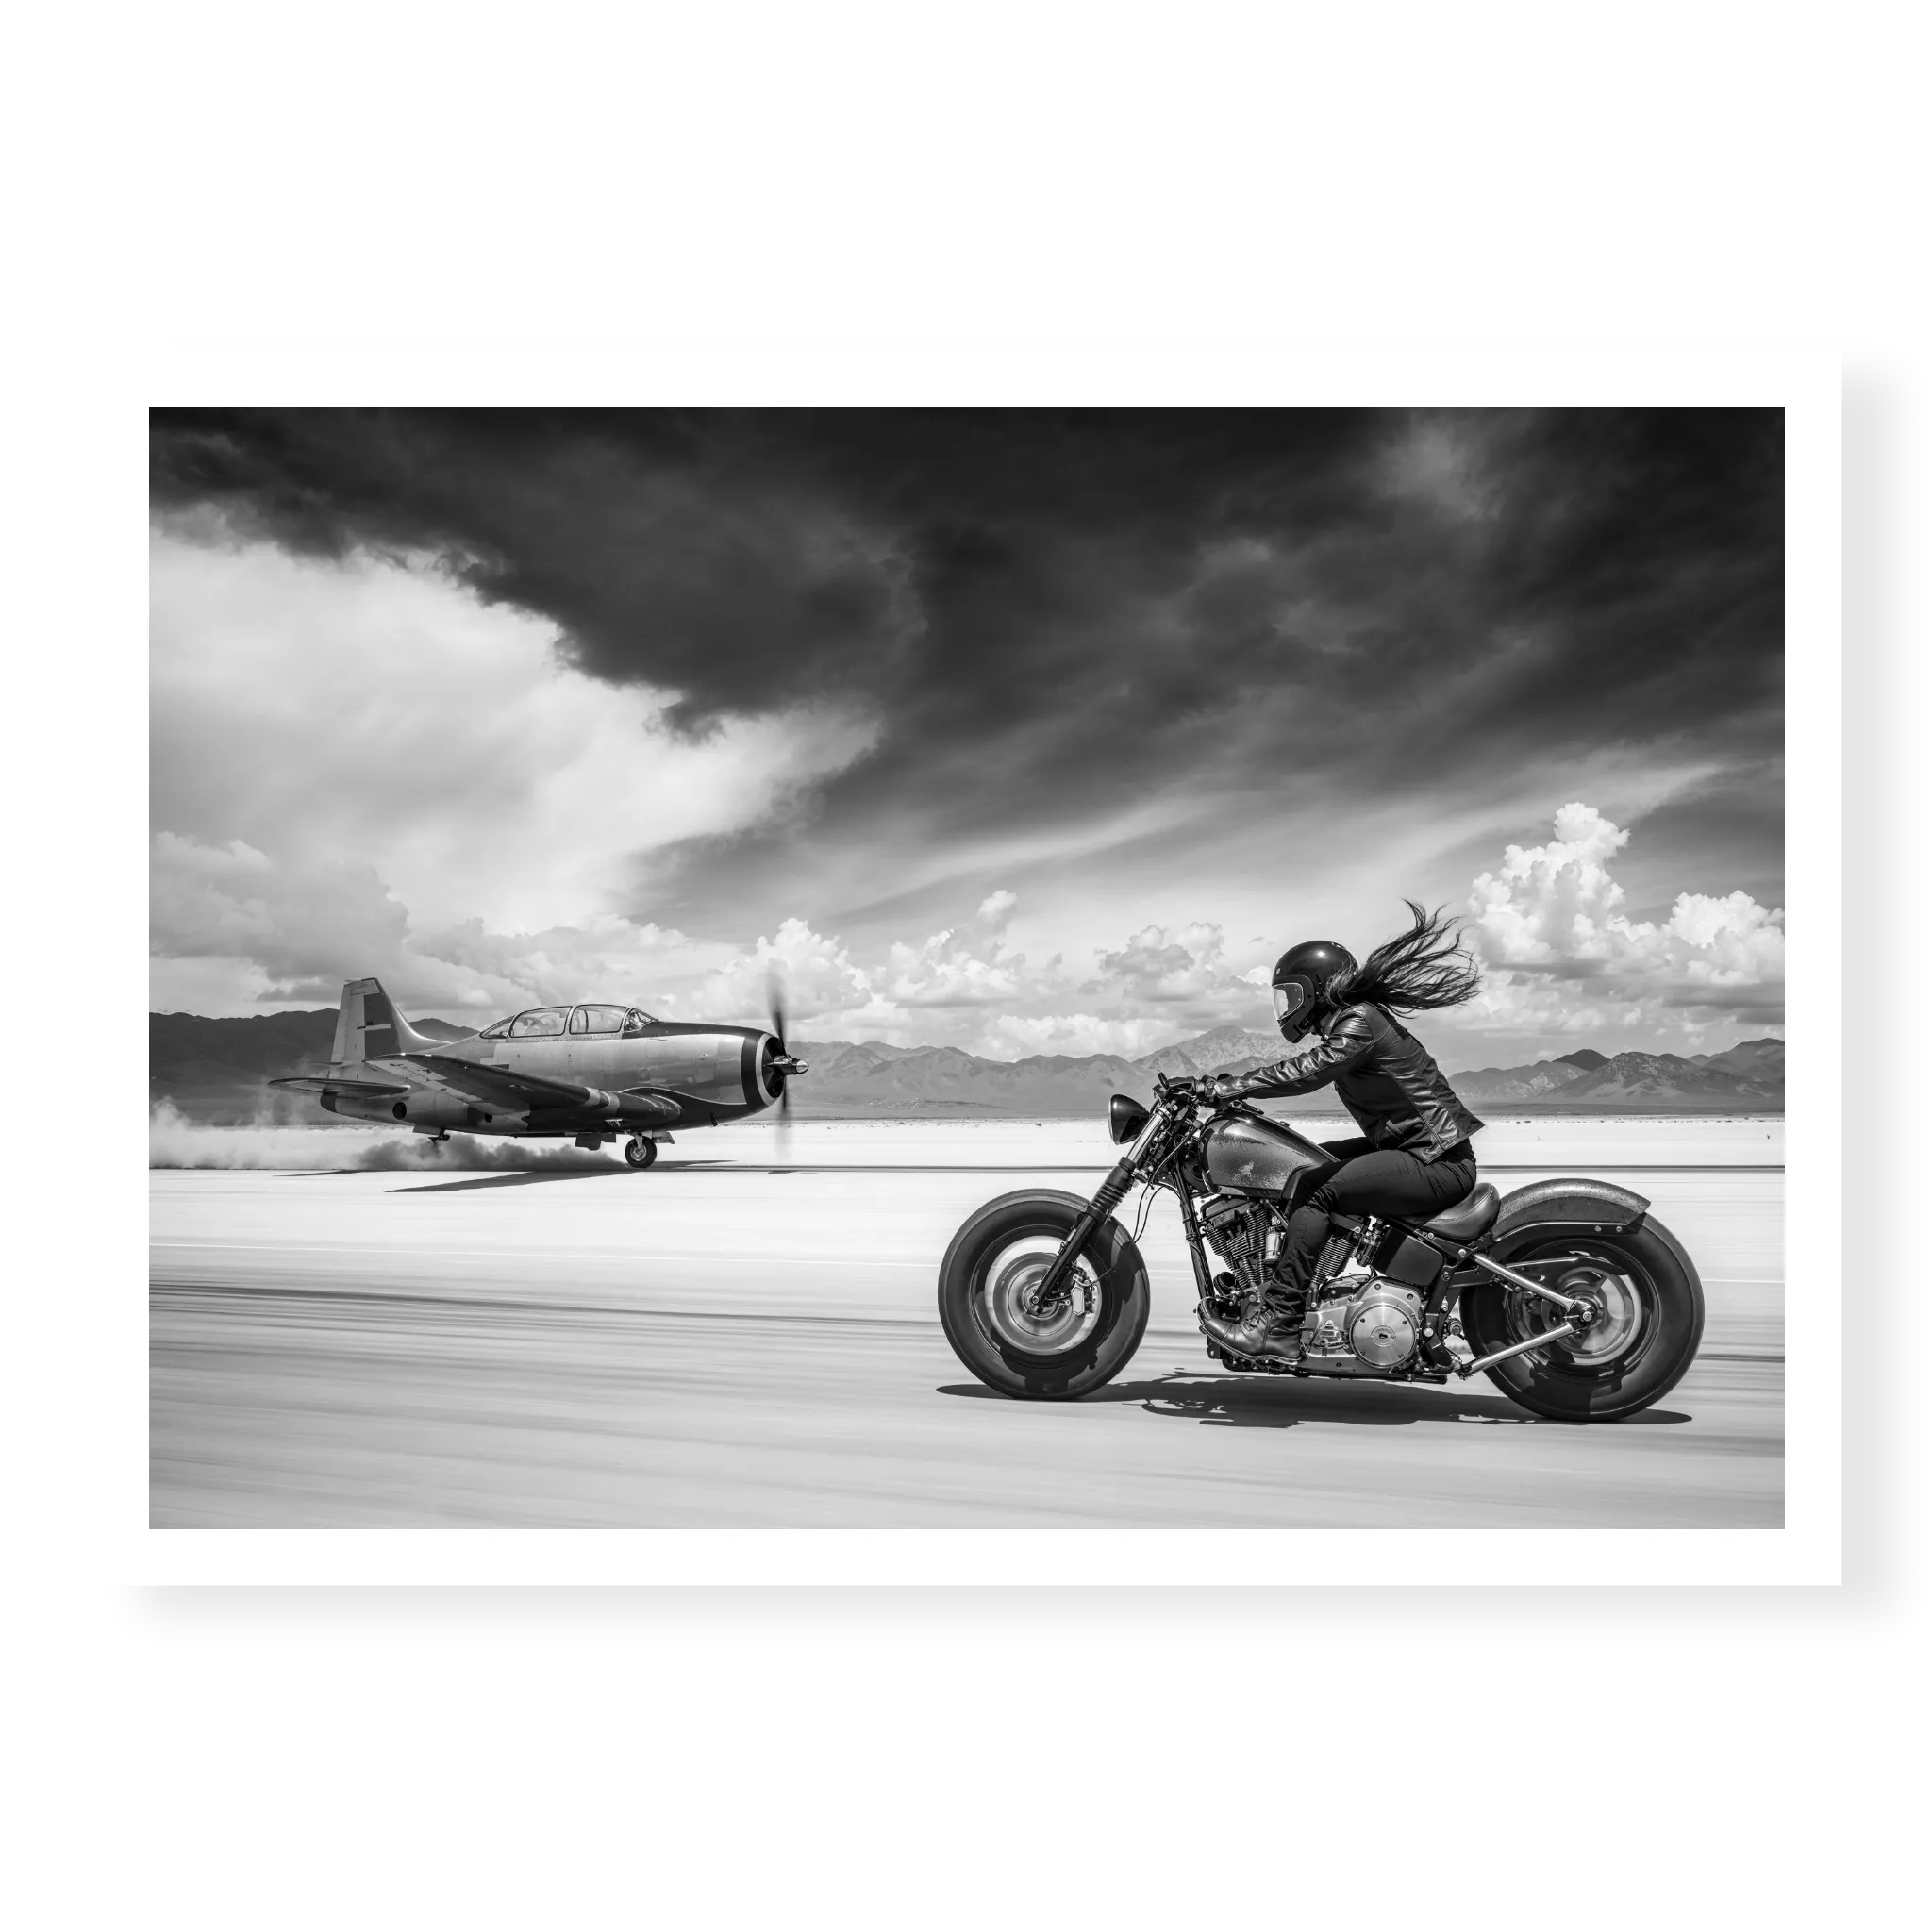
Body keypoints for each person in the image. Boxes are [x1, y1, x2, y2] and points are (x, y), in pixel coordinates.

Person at [1191, 902, 1487, 1362]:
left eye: (1291, 995)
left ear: (1316, 989)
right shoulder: (1357, 1021)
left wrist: (1226, 1086)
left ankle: (1279, 1323)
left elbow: (1309, 1071)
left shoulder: (1360, 1021)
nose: (1286, 1008)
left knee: (1315, 1190)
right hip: (1419, 1151)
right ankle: (1299, 1294)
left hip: (1435, 1160)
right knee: (1303, 1165)